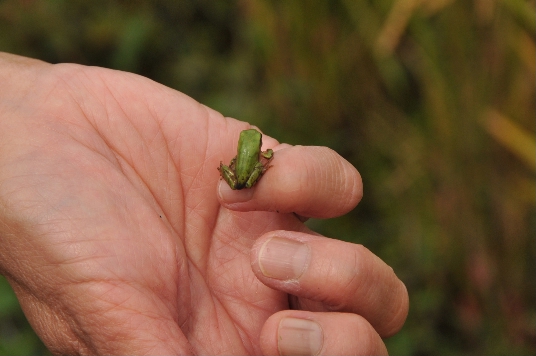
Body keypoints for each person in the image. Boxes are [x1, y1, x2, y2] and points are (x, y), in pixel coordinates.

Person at [0, 52, 408, 355]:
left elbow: (243, 167)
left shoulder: (236, 155)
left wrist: (32, 105)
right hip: (249, 180)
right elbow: (261, 160)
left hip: (240, 181)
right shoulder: (255, 155)